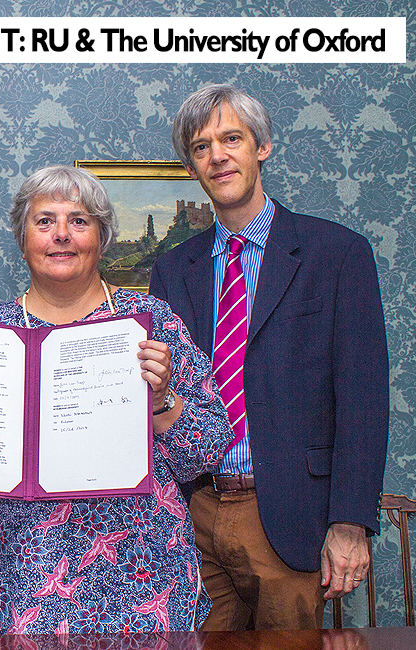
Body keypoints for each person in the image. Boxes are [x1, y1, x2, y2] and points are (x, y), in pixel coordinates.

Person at [0, 166, 231, 633]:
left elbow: (211, 446)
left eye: (79, 221)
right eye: (45, 221)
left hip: (144, 572)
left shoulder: (150, 322)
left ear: (102, 236)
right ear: (23, 237)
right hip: (23, 572)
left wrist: (161, 399)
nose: (61, 236)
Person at [150, 84, 389, 630]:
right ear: (191, 167)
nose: (218, 155)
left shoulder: (337, 254)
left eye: (231, 138)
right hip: (192, 516)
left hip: (290, 515)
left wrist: (350, 522)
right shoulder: (173, 269)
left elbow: (363, 400)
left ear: (262, 147)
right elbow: (162, 392)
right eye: (202, 146)